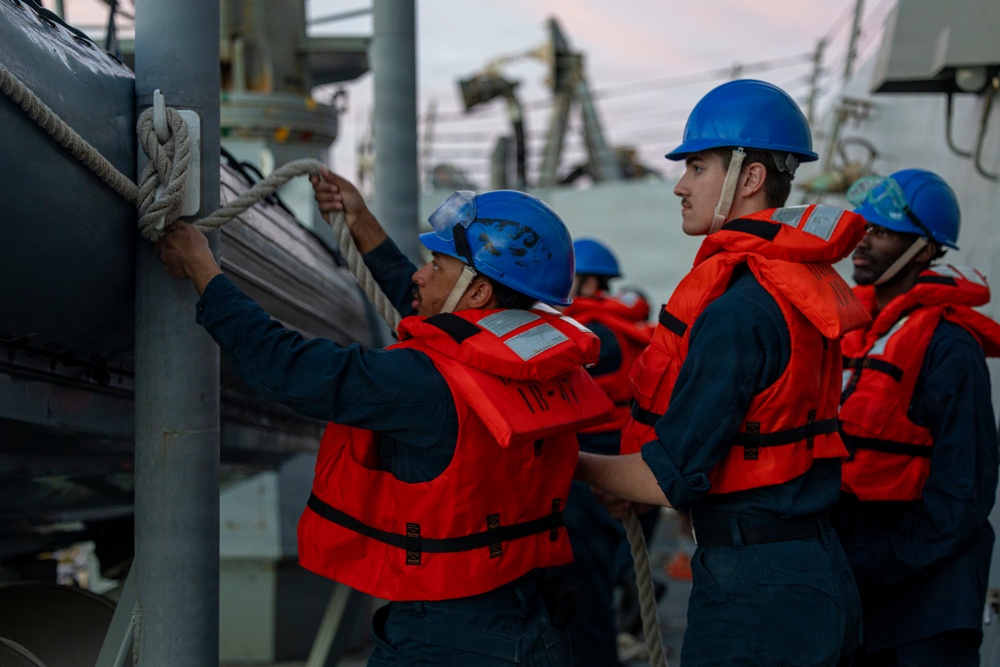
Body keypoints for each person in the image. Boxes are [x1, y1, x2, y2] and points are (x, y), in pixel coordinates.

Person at [154, 173, 617, 665]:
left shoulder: (420, 382)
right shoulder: (540, 359)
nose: (419, 275)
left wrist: (204, 271)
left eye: (435, 264)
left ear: (479, 292)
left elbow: (287, 367)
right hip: (535, 621)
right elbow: (446, 318)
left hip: (448, 638)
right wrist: (364, 227)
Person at [573, 79, 869, 666]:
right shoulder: (792, 289)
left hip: (757, 595)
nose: (680, 186)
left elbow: (668, 479)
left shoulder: (739, 309)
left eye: (698, 167)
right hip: (809, 572)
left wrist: (573, 464)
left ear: (750, 177)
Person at [834, 169, 1000, 666]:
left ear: (925, 251)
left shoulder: (949, 349)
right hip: (859, 595)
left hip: (926, 609)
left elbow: (962, 495)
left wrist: (869, 566)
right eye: (862, 230)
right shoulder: (855, 335)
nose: (862, 243)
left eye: (880, 233)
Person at [555, 238, 655, 666]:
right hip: (632, 466)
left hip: (590, 477)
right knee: (617, 573)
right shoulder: (628, 328)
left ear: (587, 279)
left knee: (586, 598)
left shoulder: (589, 333)